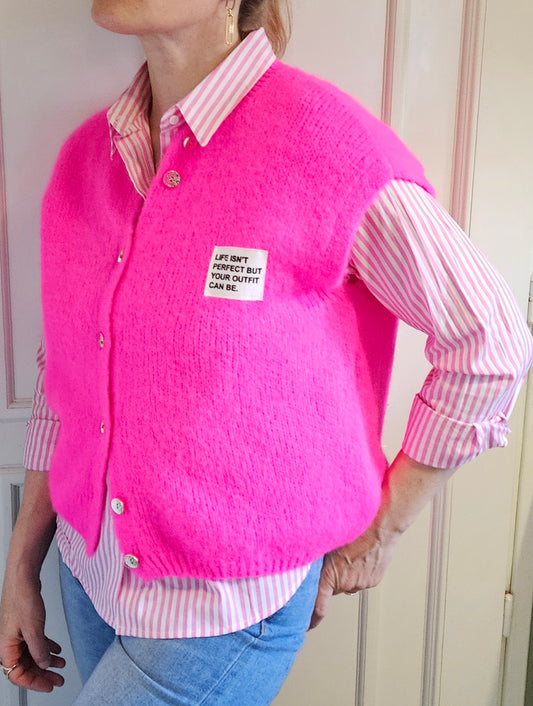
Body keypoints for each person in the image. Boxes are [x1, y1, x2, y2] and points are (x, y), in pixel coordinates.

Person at [0, 0, 532, 703]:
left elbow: (489, 341)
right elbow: (63, 375)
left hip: (226, 608)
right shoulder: (83, 160)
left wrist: (383, 526)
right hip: (88, 572)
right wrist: (21, 563)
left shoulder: (327, 145)